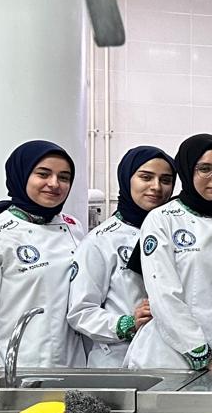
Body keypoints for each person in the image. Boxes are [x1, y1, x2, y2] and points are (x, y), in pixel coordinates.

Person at [125, 134, 212, 371]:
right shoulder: (162, 219)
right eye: (205, 169)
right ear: (186, 171)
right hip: (169, 357)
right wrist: (206, 358)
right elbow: (165, 296)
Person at [0, 140, 86, 371]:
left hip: (75, 363)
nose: (54, 184)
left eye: (64, 177)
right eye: (43, 174)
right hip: (18, 365)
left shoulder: (74, 227)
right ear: (21, 175)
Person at [68, 146, 176, 367]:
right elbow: (81, 311)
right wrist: (127, 323)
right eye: (146, 177)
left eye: (165, 180)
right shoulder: (101, 240)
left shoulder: (175, 234)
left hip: (171, 357)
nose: (156, 187)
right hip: (118, 361)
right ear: (127, 179)